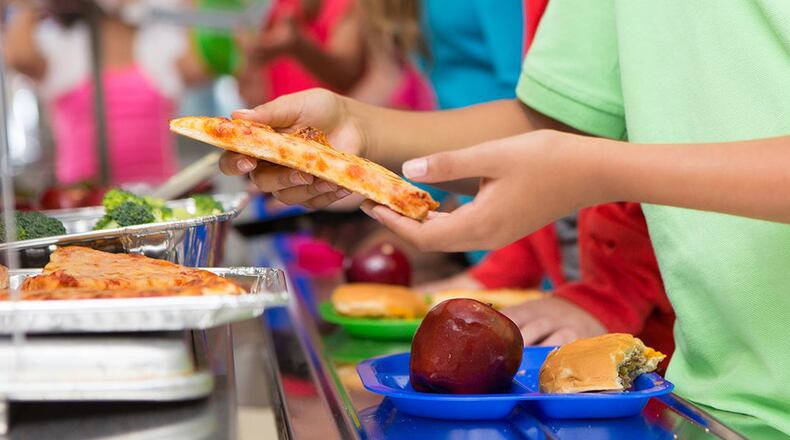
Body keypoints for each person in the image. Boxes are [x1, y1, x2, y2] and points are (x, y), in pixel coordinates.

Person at [219, 0, 790, 435]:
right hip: (709, 398)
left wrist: (602, 170)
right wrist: (361, 131)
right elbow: (561, 121)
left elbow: (578, 153)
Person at [3, 0, 206, 186]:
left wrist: (189, 6)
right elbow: (20, 57)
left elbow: (197, 67)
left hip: (160, 192)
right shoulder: (65, 44)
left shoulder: (159, 43)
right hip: (83, 199)